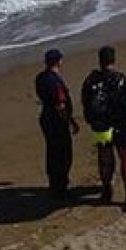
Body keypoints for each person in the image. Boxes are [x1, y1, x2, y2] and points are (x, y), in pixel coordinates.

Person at [81, 46, 126, 211]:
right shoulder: (121, 79)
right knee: (125, 157)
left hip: (101, 125)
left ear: (100, 61)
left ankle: (106, 191)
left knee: (104, 157)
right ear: (113, 60)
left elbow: (85, 103)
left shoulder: (91, 81)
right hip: (121, 124)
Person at [35, 49, 79, 198]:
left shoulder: (40, 78)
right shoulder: (56, 82)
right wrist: (70, 121)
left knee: (52, 151)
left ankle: (53, 182)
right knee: (64, 153)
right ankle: (61, 185)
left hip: (46, 118)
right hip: (57, 121)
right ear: (59, 61)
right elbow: (61, 105)